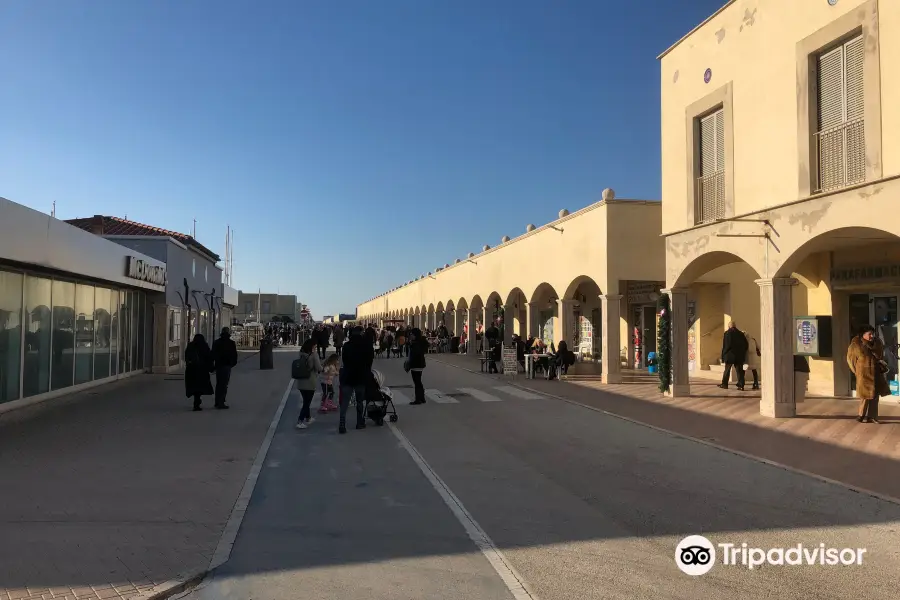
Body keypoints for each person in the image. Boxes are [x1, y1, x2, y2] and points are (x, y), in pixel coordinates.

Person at [847, 325, 890, 424]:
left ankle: (872, 416)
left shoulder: (877, 343)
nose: (872, 336)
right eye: (869, 334)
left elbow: (880, 356)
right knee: (865, 396)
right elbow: (851, 361)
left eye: (872, 334)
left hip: (876, 373)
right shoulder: (855, 345)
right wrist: (858, 372)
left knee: (875, 396)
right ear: (863, 335)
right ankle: (861, 415)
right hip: (864, 374)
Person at [339, 326, 374, 433]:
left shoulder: (346, 345)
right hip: (361, 376)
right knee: (360, 401)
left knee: (345, 401)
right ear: (361, 333)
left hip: (348, 376)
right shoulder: (367, 345)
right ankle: (359, 422)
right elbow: (370, 361)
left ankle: (342, 423)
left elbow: (344, 360)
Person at [295, 339, 323, 429]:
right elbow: (318, 368)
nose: (315, 348)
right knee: (307, 403)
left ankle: (308, 417)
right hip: (310, 382)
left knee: (306, 400)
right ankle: (300, 420)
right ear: (311, 347)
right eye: (314, 346)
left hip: (301, 382)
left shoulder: (301, 354)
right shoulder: (314, 355)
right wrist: (323, 368)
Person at [185, 333, 214, 411]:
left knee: (194, 387)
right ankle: (197, 401)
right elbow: (209, 358)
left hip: (192, 370)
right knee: (200, 386)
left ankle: (196, 400)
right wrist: (211, 368)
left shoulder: (190, 346)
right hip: (202, 370)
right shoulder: (204, 346)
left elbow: (187, 357)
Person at [211, 327, 238, 409]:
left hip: (219, 365)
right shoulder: (231, 343)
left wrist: (212, 366)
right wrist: (231, 364)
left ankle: (217, 401)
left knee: (219, 384)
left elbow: (213, 354)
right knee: (224, 384)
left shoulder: (216, 342)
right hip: (226, 366)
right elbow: (234, 355)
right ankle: (221, 402)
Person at [718, 321, 748, 391]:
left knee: (727, 370)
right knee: (740, 371)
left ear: (729, 326)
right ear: (735, 326)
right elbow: (746, 345)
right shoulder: (741, 334)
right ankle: (741, 386)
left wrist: (723, 355)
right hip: (739, 356)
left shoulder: (727, 333)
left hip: (730, 355)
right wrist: (742, 352)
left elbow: (726, 346)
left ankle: (724, 384)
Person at [407, 327, 429, 404]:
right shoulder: (420, 342)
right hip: (420, 365)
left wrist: (409, 364)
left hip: (416, 365)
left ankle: (418, 399)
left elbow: (414, 355)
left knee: (417, 382)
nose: (410, 335)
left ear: (415, 335)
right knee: (418, 382)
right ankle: (422, 398)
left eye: (412, 334)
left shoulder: (416, 343)